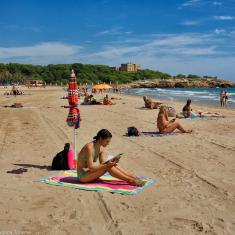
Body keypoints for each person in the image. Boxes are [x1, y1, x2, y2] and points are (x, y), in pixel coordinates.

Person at [76, 129, 145, 186]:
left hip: (89, 173)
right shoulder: (89, 147)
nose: (108, 143)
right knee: (108, 166)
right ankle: (131, 180)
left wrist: (113, 161)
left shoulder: (101, 148)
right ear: (100, 139)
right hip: (82, 176)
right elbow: (91, 168)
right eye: (107, 141)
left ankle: (133, 178)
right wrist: (107, 165)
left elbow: (102, 163)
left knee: (111, 164)